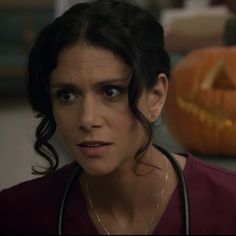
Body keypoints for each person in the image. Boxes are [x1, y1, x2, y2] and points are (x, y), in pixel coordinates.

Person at [1, 0, 236, 234]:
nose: (87, 119)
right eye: (67, 95)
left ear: (156, 96)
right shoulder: (15, 214)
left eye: (111, 91)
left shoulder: (228, 202)